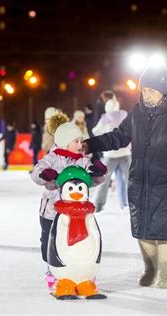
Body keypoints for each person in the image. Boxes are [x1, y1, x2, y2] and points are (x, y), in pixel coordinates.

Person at [83, 63, 167, 289]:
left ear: (165, 89)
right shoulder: (137, 112)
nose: (146, 95)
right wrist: (90, 145)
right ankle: (150, 268)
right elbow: (118, 137)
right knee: (143, 230)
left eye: (151, 90)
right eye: (144, 90)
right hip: (141, 183)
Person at [31, 115, 106, 290]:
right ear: (65, 143)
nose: (81, 145)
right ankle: (52, 270)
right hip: (51, 212)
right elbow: (36, 173)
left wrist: (99, 173)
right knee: (49, 241)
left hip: (77, 213)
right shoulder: (53, 158)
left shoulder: (83, 160)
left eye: (81, 141)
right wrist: (45, 175)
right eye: (77, 141)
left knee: (81, 242)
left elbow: (92, 180)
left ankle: (83, 272)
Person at [91, 98, 131, 211]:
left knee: (103, 180)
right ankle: (137, 203)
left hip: (110, 153)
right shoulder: (124, 114)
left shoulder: (105, 118)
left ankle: (98, 205)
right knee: (131, 179)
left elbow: (95, 131)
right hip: (125, 152)